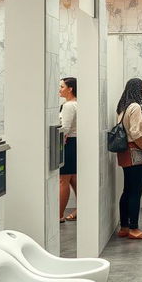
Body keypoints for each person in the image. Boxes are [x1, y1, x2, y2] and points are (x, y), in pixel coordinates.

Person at [115, 78, 142, 240]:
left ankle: (124, 227)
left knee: (127, 190)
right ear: (139, 89)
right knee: (136, 192)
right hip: (135, 151)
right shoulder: (136, 107)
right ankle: (134, 229)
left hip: (124, 152)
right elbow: (135, 133)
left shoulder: (123, 107)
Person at [59, 77, 78, 222]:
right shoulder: (77, 103)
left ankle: (58, 215)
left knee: (63, 180)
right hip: (75, 143)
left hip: (69, 143)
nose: (60, 89)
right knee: (73, 179)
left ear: (70, 88)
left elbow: (65, 127)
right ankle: (82, 208)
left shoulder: (69, 106)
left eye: (62, 86)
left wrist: (60, 137)